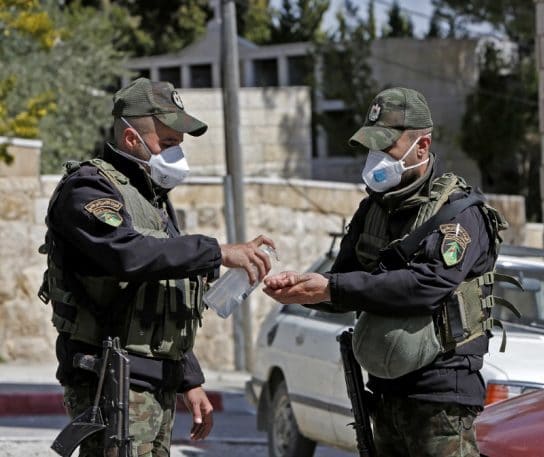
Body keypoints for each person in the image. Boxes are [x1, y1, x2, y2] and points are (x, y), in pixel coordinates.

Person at [263, 87, 512, 457]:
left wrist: (331, 288)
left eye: (386, 148)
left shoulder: (459, 213)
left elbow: (427, 285)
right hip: (384, 392)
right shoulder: (374, 210)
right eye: (371, 149)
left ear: (422, 146)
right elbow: (347, 282)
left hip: (440, 397)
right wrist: (302, 289)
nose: (375, 159)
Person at [39, 77, 275, 456]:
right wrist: (216, 251)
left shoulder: (151, 199)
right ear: (131, 138)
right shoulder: (88, 189)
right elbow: (129, 255)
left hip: (152, 382)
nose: (176, 154)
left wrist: (189, 379)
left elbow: (158, 297)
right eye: (167, 143)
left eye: (178, 144)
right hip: (110, 379)